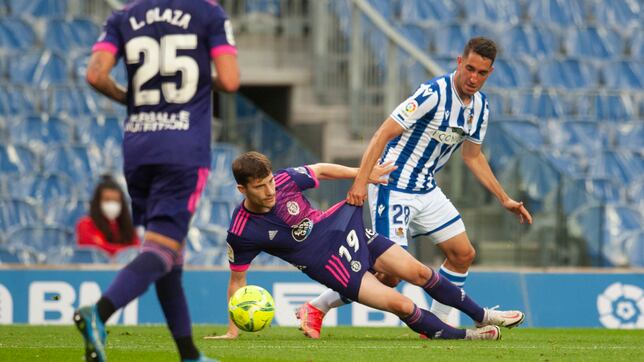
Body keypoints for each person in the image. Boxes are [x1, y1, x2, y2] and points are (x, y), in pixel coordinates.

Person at [300, 36, 533, 338]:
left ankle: (436, 325)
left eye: (482, 73)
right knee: (389, 274)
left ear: (490, 72)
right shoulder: (433, 93)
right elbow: (382, 133)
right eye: (470, 69)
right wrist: (361, 181)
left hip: (426, 188)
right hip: (393, 185)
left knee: (462, 253)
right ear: (460, 62)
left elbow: (472, 156)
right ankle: (318, 306)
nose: (474, 78)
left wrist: (504, 198)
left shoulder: (480, 107)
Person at [207, 151, 524, 341]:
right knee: (400, 305)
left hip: (345, 231)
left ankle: (482, 315)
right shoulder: (242, 231)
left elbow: (319, 170)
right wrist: (233, 329)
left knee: (417, 272)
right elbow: (237, 281)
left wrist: (364, 174)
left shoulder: (286, 181)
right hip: (331, 267)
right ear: (241, 188)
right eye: (260, 187)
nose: (270, 190)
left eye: (270, 182)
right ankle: (469, 336)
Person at [73, 1, 239, 361]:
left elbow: (95, 75)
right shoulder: (208, 14)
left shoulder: (123, 16)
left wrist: (128, 98)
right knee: (163, 249)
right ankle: (98, 313)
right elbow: (229, 80)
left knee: (168, 252)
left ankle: (188, 353)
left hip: (139, 146)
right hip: (182, 149)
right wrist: (193, 78)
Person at [76, 175, 140, 257]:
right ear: (98, 202)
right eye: (107, 200)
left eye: (116, 200)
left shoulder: (129, 228)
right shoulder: (85, 224)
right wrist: (124, 251)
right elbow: (97, 250)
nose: (112, 204)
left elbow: (135, 250)